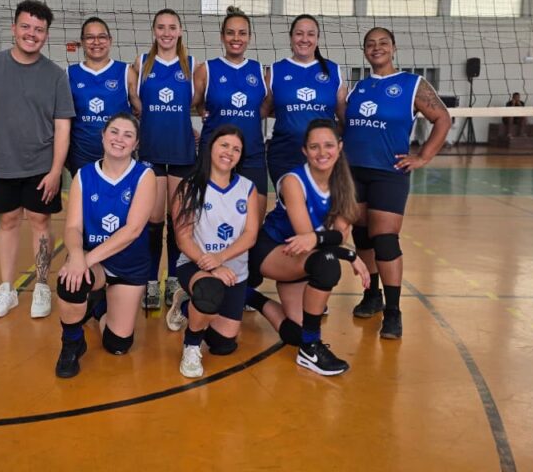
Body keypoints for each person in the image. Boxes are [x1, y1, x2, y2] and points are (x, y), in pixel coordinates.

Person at [337, 27, 451, 336]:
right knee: (362, 237)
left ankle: (393, 311)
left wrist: (423, 156)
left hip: (388, 173)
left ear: (394, 48)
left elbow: (443, 118)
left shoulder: (412, 84)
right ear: (364, 51)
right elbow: (347, 126)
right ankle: (371, 295)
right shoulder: (358, 88)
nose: (377, 48)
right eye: (370, 44)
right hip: (353, 172)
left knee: (385, 239)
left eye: (383, 43)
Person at [0, 0, 74, 320]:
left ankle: (41, 285)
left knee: (40, 223)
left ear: (46, 35)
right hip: (1, 164)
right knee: (8, 221)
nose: (31, 34)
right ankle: (7, 288)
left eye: (39, 29)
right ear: (14, 28)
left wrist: (55, 171)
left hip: (41, 166)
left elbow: (63, 126)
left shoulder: (56, 75)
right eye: (26, 26)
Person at [245, 119, 370, 376]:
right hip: (273, 250)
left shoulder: (345, 185)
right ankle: (311, 349)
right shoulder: (293, 181)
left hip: (304, 257)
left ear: (340, 147)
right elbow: (307, 238)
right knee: (327, 265)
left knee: (296, 332)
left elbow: (336, 235)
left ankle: (248, 296)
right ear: (305, 150)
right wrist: (348, 254)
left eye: (328, 145)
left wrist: (331, 243)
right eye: (314, 147)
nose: (322, 152)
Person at [54, 113, 155, 378]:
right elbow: (73, 228)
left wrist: (84, 261)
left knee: (117, 345)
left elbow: (132, 231)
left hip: (129, 266)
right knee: (71, 281)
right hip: (95, 261)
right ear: (103, 136)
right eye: (114, 132)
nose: (119, 139)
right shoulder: (84, 176)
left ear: (135, 144)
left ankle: (99, 307)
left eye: (128, 135)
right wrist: (77, 257)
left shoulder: (144, 176)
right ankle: (72, 342)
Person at [166, 125, 259, 377]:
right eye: (224, 145)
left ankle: (185, 305)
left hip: (233, 272)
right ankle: (191, 345)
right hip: (195, 264)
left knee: (222, 344)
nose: (229, 152)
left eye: (236, 149)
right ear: (210, 148)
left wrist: (221, 259)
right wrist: (213, 265)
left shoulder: (247, 188)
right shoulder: (190, 186)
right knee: (208, 292)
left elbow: (251, 234)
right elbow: (183, 239)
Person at [128, 8, 204, 310]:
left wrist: (193, 127)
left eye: (172, 27)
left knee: (177, 221)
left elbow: (197, 103)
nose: (167, 32)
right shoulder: (141, 64)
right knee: (153, 221)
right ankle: (150, 281)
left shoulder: (192, 66)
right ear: (154, 31)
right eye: (161, 27)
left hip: (182, 152)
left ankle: (173, 278)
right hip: (151, 152)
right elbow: (136, 103)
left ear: (180, 31)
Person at [197, 6, 270, 219]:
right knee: (210, 219)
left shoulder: (260, 71)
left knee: (254, 219)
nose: (236, 38)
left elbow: (265, 107)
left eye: (242, 33)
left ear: (249, 37)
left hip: (251, 153)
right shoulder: (206, 69)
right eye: (230, 33)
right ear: (222, 36)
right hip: (214, 154)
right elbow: (194, 101)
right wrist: (202, 111)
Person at [264, 14, 342, 186]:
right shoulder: (276, 70)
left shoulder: (333, 70)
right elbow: (261, 110)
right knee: (290, 201)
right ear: (291, 37)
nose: (304, 39)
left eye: (310, 34)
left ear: (317, 39)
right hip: (285, 155)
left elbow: (345, 117)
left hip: (323, 157)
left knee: (319, 203)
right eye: (299, 34)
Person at [67, 17, 130, 175]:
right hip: (81, 158)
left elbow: (142, 111)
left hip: (118, 157)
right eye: (90, 37)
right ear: (82, 42)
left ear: (110, 40)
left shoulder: (127, 72)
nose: (96, 42)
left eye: (102, 37)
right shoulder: (69, 74)